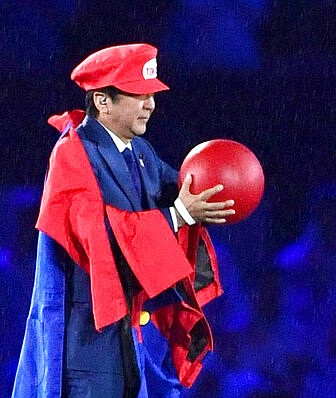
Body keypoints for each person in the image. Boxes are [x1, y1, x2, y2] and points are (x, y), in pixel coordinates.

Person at [12, 43, 235, 397]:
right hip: (86, 347)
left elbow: (182, 192)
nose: (151, 104)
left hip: (129, 339)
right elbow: (97, 235)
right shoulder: (72, 154)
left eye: (152, 94)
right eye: (139, 94)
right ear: (102, 101)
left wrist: (219, 191)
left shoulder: (140, 152)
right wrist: (178, 215)